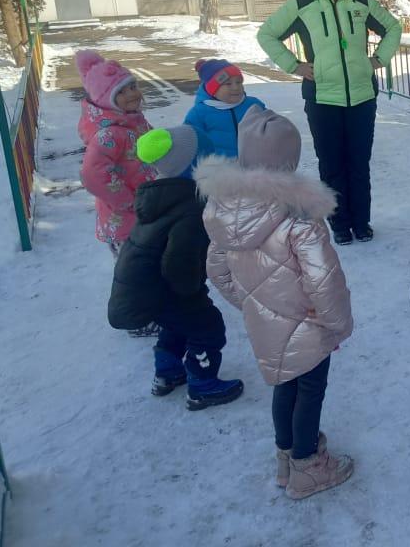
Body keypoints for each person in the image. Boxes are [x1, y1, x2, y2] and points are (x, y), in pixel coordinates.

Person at [196, 106, 355, 500]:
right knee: (310, 390)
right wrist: (336, 323)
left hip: (264, 322)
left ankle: (286, 459)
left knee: (284, 385)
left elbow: (217, 270)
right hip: (309, 323)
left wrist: (251, 302)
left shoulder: (223, 210)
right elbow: (323, 280)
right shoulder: (300, 218)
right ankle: (308, 468)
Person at [256, 0, 402, 244]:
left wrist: (378, 60)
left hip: (362, 97)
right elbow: (266, 34)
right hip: (323, 98)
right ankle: (339, 224)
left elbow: (393, 28)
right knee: (332, 165)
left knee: (359, 164)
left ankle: (361, 222)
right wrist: (294, 65)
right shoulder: (301, 3)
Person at [108, 125, 244, 410]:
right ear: (195, 166)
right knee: (208, 328)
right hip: (171, 287)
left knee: (176, 324)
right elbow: (178, 263)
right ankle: (203, 385)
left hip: (150, 289)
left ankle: (167, 372)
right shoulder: (190, 209)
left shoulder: (161, 196)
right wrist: (192, 291)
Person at [75, 50, 158, 337]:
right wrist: (128, 201)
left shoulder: (133, 121)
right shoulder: (109, 134)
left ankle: (152, 309)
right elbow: (92, 174)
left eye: (133, 86)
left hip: (144, 211)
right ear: (105, 99)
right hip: (124, 219)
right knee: (132, 272)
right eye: (122, 91)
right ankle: (136, 320)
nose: (132, 94)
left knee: (148, 267)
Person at [183, 59, 265, 158]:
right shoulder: (199, 113)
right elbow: (188, 142)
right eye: (228, 84)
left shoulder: (253, 105)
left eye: (238, 82)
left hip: (255, 163)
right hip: (220, 168)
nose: (235, 87)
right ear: (213, 89)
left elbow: (272, 128)